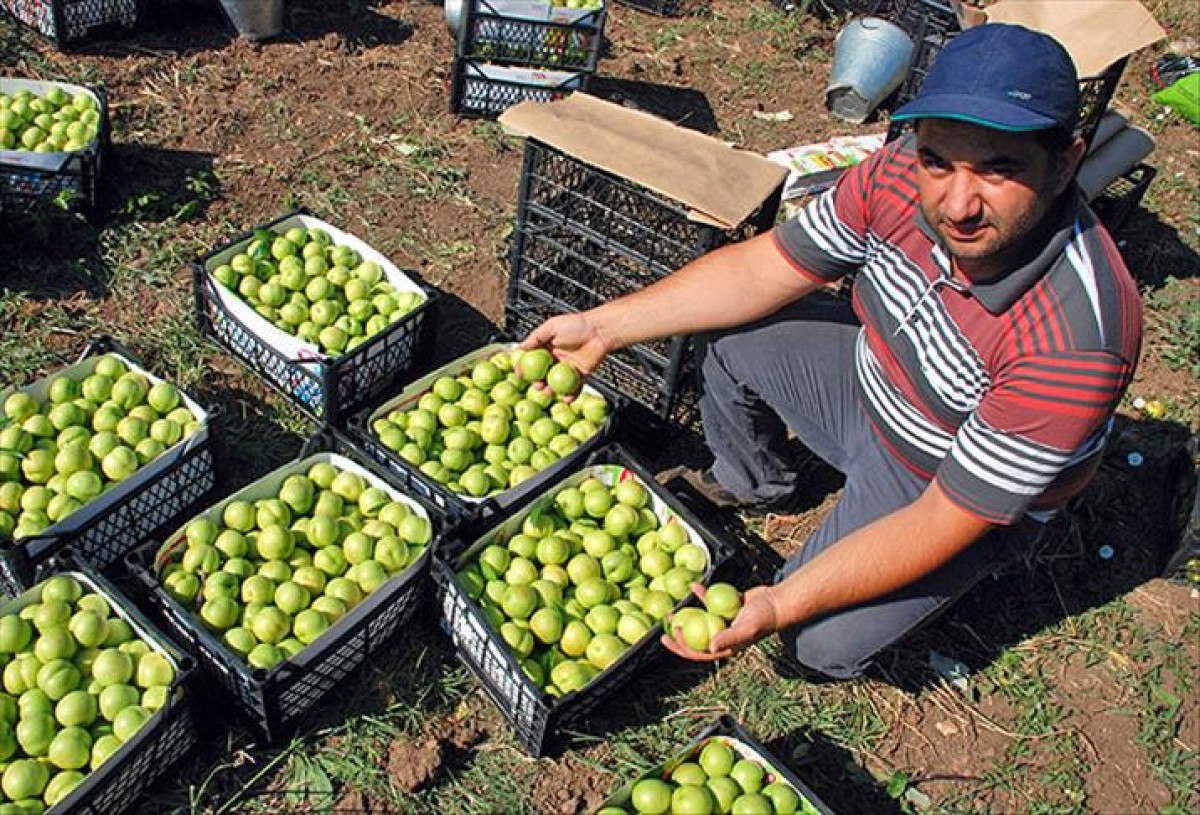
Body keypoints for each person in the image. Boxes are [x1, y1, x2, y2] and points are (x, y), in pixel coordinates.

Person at [519, 24, 1143, 680]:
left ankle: (968, 563)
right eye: (940, 160)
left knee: (814, 642)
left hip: (940, 479)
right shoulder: (899, 172)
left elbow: (942, 516)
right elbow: (765, 269)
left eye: (999, 168)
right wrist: (604, 327)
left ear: (1067, 161)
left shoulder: (1078, 337)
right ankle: (755, 479)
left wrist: (780, 602)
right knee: (730, 331)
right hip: (867, 382)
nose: (957, 204)